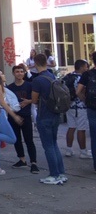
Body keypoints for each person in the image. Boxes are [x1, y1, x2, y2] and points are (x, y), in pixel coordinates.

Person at [31, 53, 66, 185]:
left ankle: (54, 174)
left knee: (48, 146)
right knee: (54, 144)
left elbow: (34, 100)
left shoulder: (38, 80)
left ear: (35, 63)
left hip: (44, 115)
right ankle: (61, 173)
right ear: (46, 62)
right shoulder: (52, 76)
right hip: (55, 114)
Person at [7, 64, 38, 173]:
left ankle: (33, 163)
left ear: (24, 73)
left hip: (26, 116)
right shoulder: (9, 88)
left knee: (29, 140)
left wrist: (28, 101)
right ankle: (22, 159)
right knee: (17, 140)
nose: (19, 74)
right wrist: (13, 116)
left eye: (21, 71)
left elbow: (36, 98)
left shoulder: (29, 85)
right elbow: (6, 103)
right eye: (17, 72)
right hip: (14, 117)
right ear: (13, 73)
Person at [63, 60, 91, 159]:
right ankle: (83, 151)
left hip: (69, 106)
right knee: (81, 129)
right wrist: (85, 101)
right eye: (86, 66)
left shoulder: (68, 77)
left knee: (71, 127)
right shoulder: (82, 78)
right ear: (82, 67)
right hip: (80, 107)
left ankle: (69, 149)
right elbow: (80, 92)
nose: (87, 68)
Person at [75, 51, 96, 173]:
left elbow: (78, 91)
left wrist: (85, 100)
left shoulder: (87, 74)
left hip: (92, 108)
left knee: (94, 136)